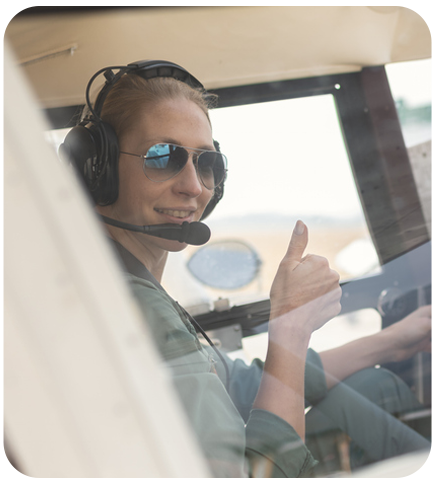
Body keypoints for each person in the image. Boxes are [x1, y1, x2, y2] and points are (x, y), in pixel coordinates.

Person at [61, 61, 432, 478]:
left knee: (371, 386)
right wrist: (290, 328)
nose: (195, 186)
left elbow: (238, 386)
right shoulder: (131, 304)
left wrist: (396, 341)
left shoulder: (117, 283)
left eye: (207, 164)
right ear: (98, 170)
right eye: (162, 157)